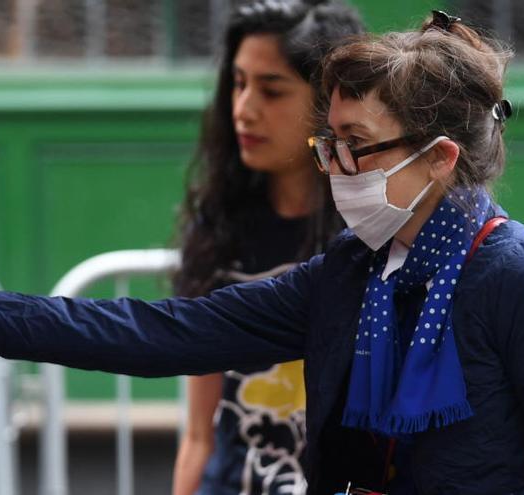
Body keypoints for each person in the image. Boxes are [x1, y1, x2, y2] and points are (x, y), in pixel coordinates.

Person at [0, 11, 524, 494]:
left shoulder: (519, 276)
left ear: (439, 158)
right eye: (328, 144)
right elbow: (165, 332)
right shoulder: (352, 269)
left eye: (355, 147)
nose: (334, 168)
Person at [171, 1, 362, 493]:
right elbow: (199, 433)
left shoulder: (372, 228)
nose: (244, 109)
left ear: (330, 103)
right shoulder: (217, 230)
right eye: (238, 84)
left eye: (271, 89)